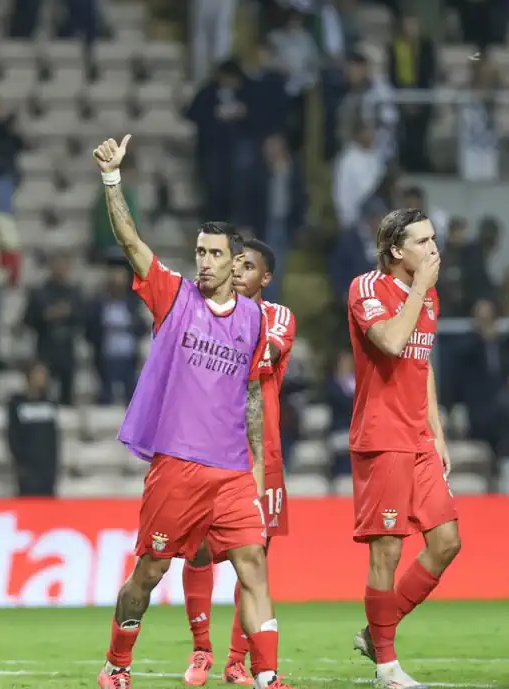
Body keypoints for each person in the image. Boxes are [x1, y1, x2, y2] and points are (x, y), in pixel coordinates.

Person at [91, 134, 293, 689]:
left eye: (214, 254)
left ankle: (268, 675)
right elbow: (131, 240)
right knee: (149, 573)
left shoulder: (254, 320)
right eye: (199, 252)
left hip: (229, 470)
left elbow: (248, 396)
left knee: (253, 564)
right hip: (176, 465)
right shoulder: (174, 297)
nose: (202, 261)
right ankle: (117, 663)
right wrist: (112, 180)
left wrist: (253, 462)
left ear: (237, 264)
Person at [345, 208, 462, 689]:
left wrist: (437, 431)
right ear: (396, 251)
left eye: (434, 239)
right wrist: (418, 290)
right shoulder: (366, 289)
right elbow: (393, 342)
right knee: (387, 553)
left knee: (447, 541)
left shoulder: (428, 296)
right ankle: (386, 667)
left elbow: (422, 362)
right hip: (381, 435)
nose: (434, 249)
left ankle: (377, 631)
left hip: (416, 437)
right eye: (423, 241)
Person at [180, 239, 296, 687]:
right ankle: (201, 649)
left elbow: (254, 355)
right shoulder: (205, 310)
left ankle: (236, 661)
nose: (240, 272)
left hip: (260, 455)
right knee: (200, 552)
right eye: (236, 264)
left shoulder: (277, 317)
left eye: (250, 267)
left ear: (264, 278)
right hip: (208, 451)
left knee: (254, 562)